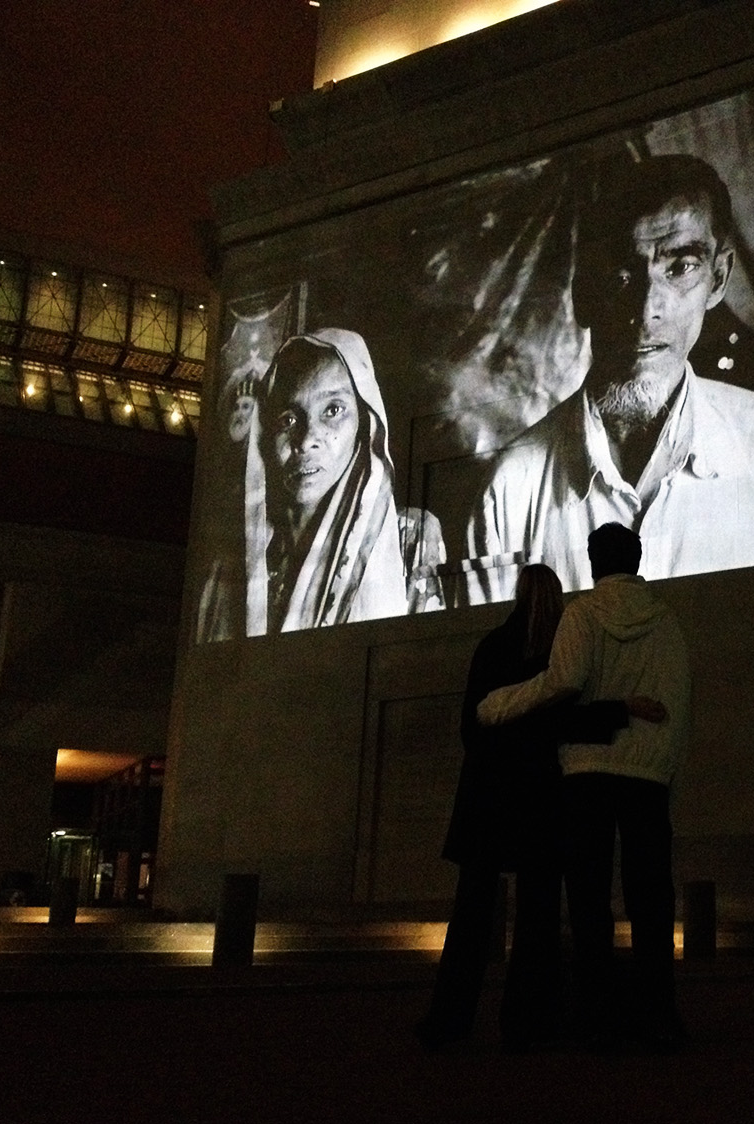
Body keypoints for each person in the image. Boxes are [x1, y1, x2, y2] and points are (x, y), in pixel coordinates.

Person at [465, 154, 754, 603]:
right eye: (621, 275)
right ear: (583, 294)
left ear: (719, 279)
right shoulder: (511, 489)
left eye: (680, 268)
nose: (648, 310)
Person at [417, 563, 649, 1051]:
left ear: (517, 593)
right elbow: (566, 721)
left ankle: (449, 1023)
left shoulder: (491, 647)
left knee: (471, 918)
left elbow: (471, 726)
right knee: (538, 915)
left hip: (487, 796)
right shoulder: (559, 653)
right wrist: (622, 709)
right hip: (542, 797)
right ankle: (528, 1022)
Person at [478, 523, 691, 1048]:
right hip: (646, 775)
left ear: (593, 561)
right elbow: (679, 704)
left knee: (591, 898)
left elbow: (564, 681)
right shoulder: (667, 622)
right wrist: (663, 767)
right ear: (637, 559)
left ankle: (597, 1016)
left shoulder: (583, 614)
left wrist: (497, 704)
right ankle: (658, 1015)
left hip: (586, 773)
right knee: (651, 898)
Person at [194, 329, 445, 639]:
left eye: (333, 410)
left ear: (364, 425)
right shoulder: (231, 567)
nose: (307, 439)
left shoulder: (410, 539)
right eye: (288, 419)